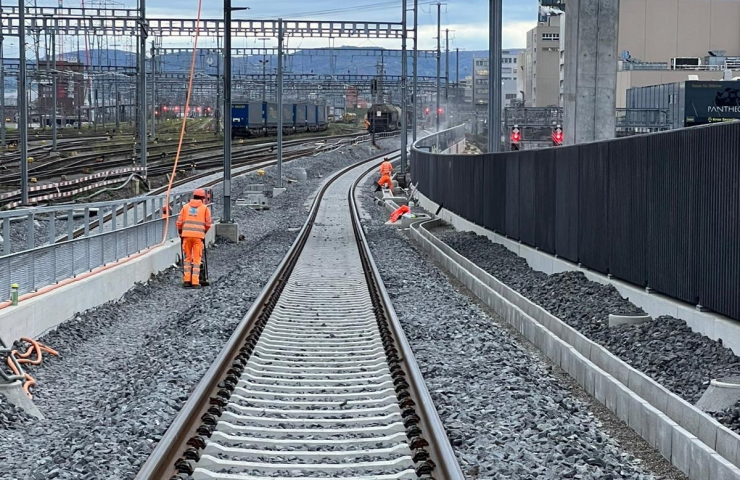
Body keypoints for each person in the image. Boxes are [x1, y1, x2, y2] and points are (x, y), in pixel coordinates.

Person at [176, 189, 212, 288]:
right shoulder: (205, 209)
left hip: (186, 236)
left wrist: (181, 233)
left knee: (187, 258)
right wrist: (203, 232)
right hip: (198, 237)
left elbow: (179, 222)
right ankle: (195, 282)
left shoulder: (185, 207)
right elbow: (208, 224)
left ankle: (187, 280)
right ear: (202, 198)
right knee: (196, 259)